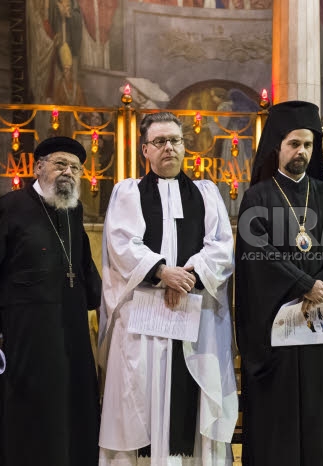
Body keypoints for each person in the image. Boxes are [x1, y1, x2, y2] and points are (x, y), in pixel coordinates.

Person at [98, 112, 237, 465]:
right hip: (143, 322)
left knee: (190, 398)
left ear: (184, 147)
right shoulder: (127, 193)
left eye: (175, 141)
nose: (169, 148)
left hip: (194, 317)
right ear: (145, 149)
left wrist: (187, 274)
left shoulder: (206, 193)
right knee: (138, 398)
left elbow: (221, 245)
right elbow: (121, 243)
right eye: (159, 142)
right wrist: (162, 272)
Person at [0, 136, 102, 466]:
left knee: (72, 405)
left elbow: (81, 265)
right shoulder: (10, 207)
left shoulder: (73, 209)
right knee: (32, 411)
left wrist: (106, 300)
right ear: (39, 167)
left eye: (75, 167)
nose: (68, 172)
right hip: (26, 330)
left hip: (71, 328)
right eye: (60, 164)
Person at [235, 100, 323, 466]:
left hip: (320, 328)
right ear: (278, 146)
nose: (301, 151)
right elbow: (257, 255)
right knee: (281, 414)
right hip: (279, 330)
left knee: (321, 407)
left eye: (307, 144)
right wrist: (304, 282)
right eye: (293, 144)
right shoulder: (258, 196)